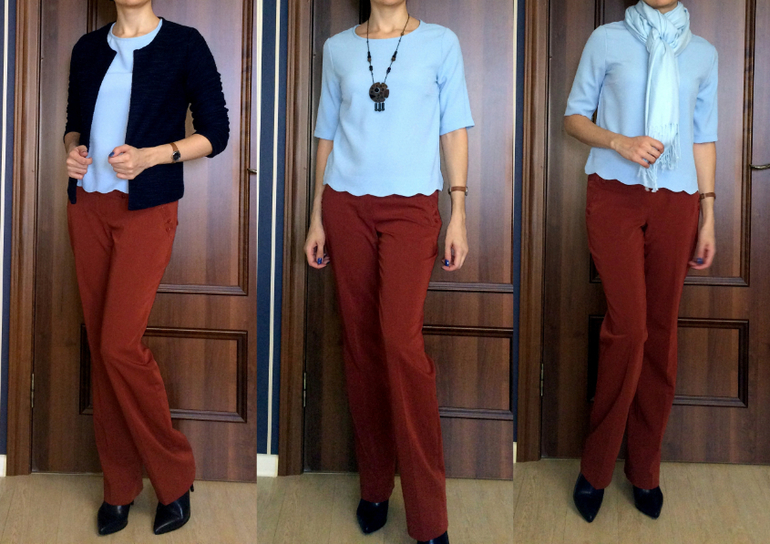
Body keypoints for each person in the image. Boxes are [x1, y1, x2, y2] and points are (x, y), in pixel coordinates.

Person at [303, 0, 474, 542]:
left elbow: (454, 129)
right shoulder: (337, 48)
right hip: (344, 206)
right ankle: (375, 484)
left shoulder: (441, 43)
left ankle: (429, 515)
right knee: (361, 345)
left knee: (401, 344)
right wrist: (316, 216)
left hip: (413, 208)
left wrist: (458, 211)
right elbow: (326, 135)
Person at [63, 0, 228, 535]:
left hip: (147, 210)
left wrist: (152, 156)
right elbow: (73, 125)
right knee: (101, 348)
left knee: (119, 346)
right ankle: (119, 486)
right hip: (88, 209)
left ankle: (174, 476)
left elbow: (216, 133)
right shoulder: (88, 48)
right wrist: (74, 150)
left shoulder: (184, 44)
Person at [563, 0, 717, 522]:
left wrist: (709, 215)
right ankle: (596, 468)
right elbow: (573, 117)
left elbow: (703, 136)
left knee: (661, 332)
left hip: (679, 199)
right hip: (614, 194)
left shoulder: (703, 53)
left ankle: (645, 469)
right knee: (628, 329)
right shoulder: (607, 39)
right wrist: (619, 141)